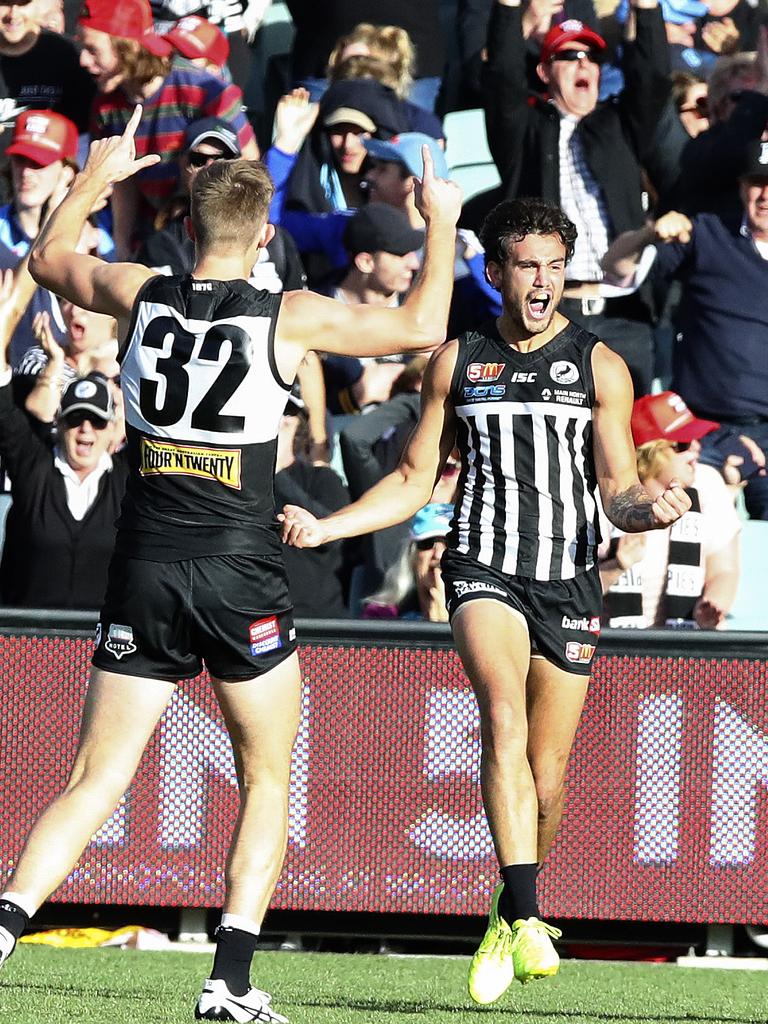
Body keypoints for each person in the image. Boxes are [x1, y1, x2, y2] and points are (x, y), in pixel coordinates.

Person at [0, 105, 461, 1022]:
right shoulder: (284, 315)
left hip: (143, 565)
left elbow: (49, 263)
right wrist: (442, 219)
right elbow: (421, 324)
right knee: (267, 776)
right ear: (262, 238)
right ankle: (229, 982)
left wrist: (97, 175)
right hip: (239, 566)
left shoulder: (144, 293)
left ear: (192, 227)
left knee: (95, 776)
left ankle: (2, 928)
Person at [281, 197, 691, 1007]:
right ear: (495, 272)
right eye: (525, 266)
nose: (541, 282)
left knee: (549, 778)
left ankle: (507, 912)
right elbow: (411, 480)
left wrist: (650, 509)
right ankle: (535, 915)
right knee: (501, 715)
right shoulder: (458, 361)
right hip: (484, 568)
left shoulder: (602, 366)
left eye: (552, 266)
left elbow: (616, 490)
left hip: (567, 577)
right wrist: (330, 528)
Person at [479, 0, 670, 395]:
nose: (584, 64)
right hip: (550, 312)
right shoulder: (524, 131)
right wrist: (508, 8)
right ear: (544, 71)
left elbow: (652, 77)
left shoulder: (620, 125)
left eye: (591, 57)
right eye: (569, 56)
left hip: (624, 312)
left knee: (634, 443)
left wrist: (647, 9)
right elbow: (501, 77)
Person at [600, 138, 768, 519]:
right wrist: (650, 234)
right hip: (699, 432)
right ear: (742, 187)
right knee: (688, 509)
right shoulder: (708, 234)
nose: (764, 195)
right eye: (757, 182)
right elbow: (614, 267)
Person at [600, 391, 742, 629]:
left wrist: (710, 607)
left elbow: (725, 570)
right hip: (611, 650)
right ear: (648, 453)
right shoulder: (604, 496)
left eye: (696, 440)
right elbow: (570, 598)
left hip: (687, 646)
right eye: (683, 444)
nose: (695, 450)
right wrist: (616, 567)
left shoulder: (707, 484)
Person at [361, 501, 452, 621]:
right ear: (411, 554)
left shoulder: (481, 615)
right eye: (426, 544)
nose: (438, 555)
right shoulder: (381, 614)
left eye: (450, 544)